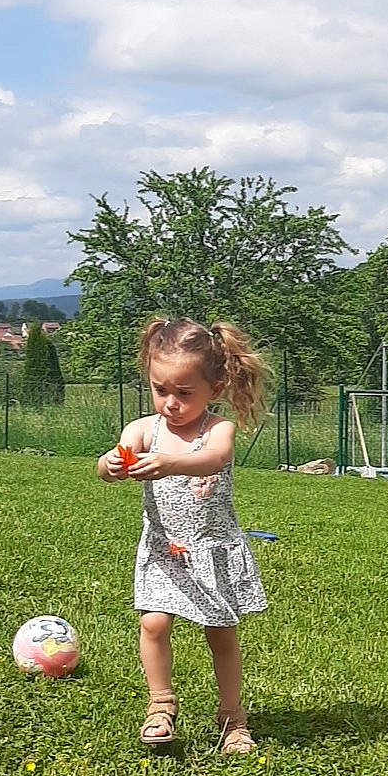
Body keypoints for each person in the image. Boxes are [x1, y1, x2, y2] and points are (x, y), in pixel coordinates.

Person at [97, 317, 269, 753]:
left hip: (211, 550)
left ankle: (233, 718)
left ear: (215, 389)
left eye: (185, 393)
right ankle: (160, 705)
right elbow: (115, 458)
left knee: (220, 633)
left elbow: (214, 459)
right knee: (153, 623)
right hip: (164, 550)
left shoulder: (218, 429)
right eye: (161, 390)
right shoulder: (142, 430)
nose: (171, 403)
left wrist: (170, 464)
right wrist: (110, 465)